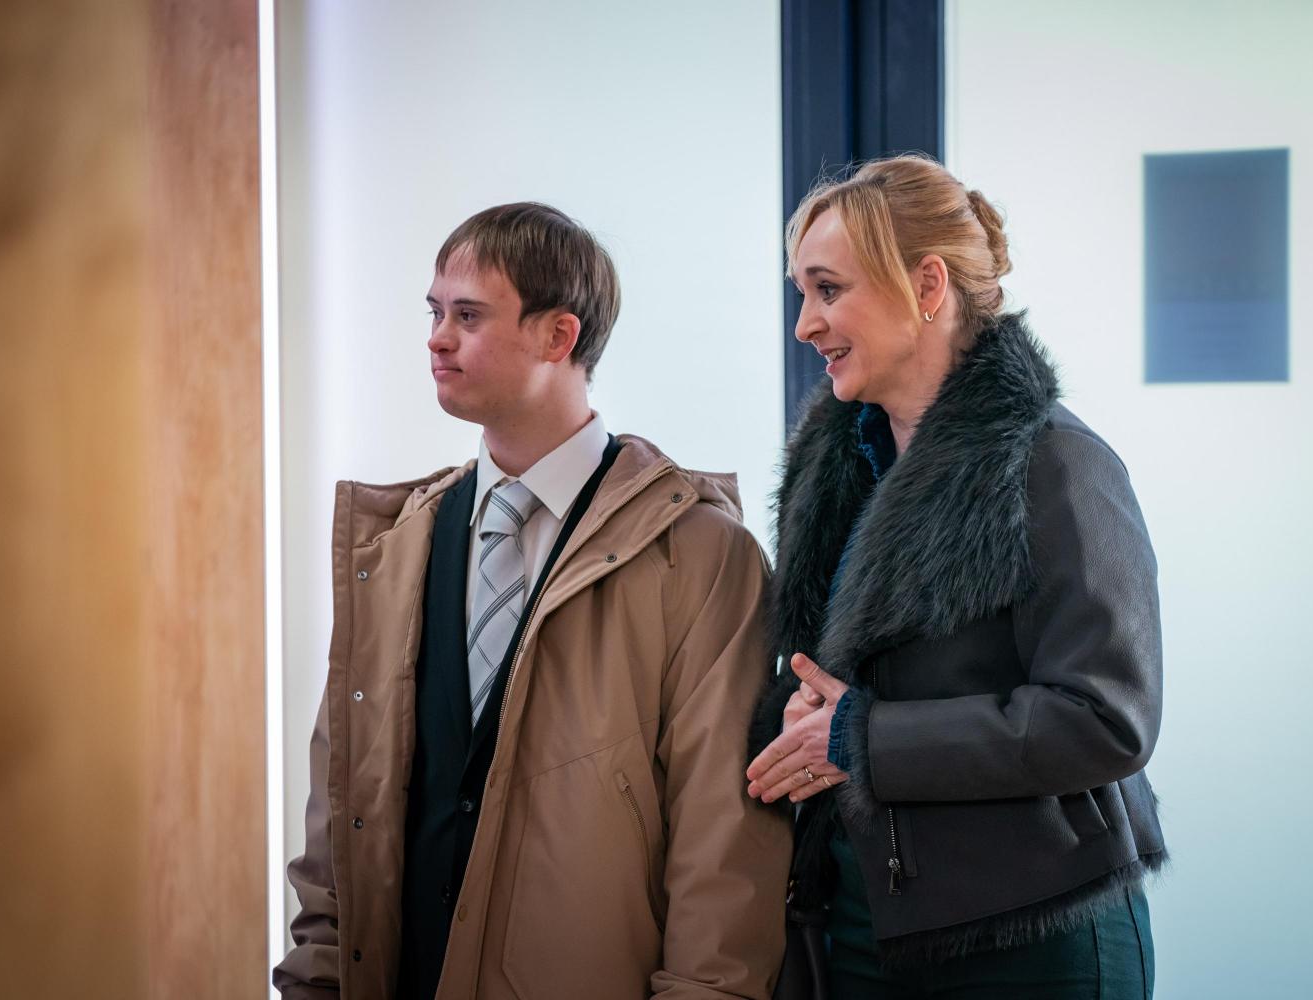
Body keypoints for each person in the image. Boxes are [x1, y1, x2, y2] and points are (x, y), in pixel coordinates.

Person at [274, 202, 790, 999]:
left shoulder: (699, 557)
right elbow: (339, 814)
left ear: (559, 336)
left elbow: (723, 848)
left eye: (468, 316)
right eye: (435, 312)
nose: (437, 338)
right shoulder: (393, 550)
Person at [746, 155, 1166, 999]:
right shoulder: (837, 473)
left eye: (828, 290)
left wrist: (861, 739)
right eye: (802, 293)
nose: (805, 324)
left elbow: (1105, 721)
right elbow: (840, 685)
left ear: (927, 284)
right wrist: (799, 715)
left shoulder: (1053, 462)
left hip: (1035, 942)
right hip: (864, 931)